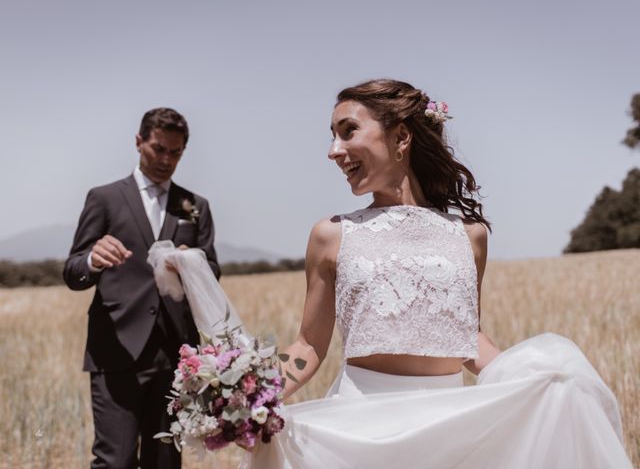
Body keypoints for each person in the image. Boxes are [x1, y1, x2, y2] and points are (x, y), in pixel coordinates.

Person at [244, 79, 633, 468]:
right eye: (332, 136)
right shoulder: (331, 235)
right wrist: (248, 395)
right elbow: (308, 346)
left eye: (348, 132)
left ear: (401, 138)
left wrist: (535, 380)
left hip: (453, 433)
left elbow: (468, 335)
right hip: (357, 432)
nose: (334, 151)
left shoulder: (470, 236)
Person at [63, 107, 220, 469]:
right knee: (114, 461)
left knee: (165, 462)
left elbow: (213, 271)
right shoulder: (104, 198)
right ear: (138, 142)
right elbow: (72, 271)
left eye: (175, 152)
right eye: (158, 149)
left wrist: (193, 264)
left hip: (176, 354)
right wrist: (92, 258)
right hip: (115, 351)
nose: (166, 160)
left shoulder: (196, 207)